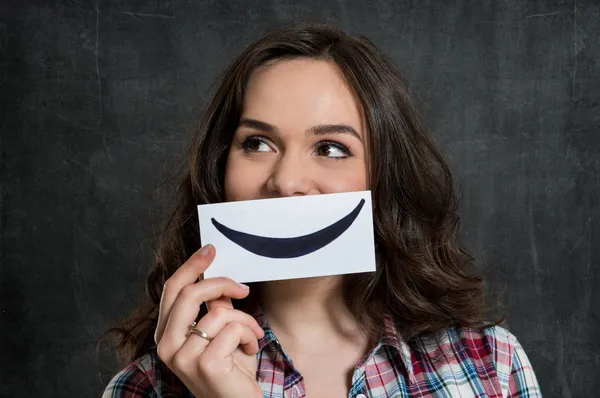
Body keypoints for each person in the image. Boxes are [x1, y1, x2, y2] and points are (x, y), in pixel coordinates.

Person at [100, 22, 542, 397]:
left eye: (331, 148)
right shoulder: (146, 388)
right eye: (257, 143)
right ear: (220, 168)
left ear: (383, 176)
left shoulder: (490, 366)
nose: (287, 182)